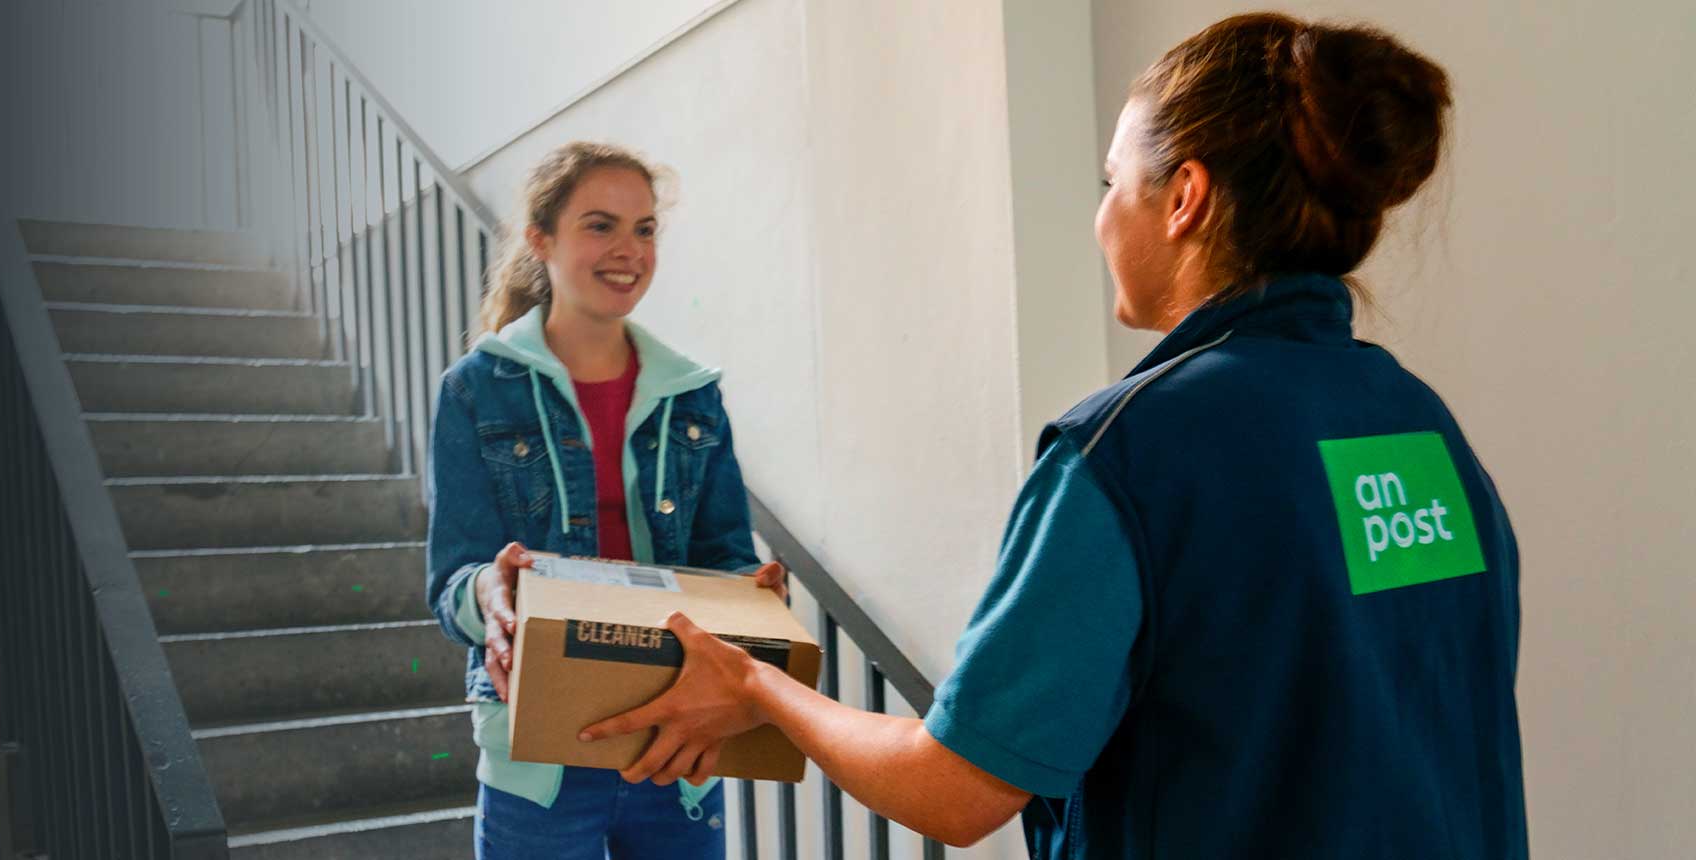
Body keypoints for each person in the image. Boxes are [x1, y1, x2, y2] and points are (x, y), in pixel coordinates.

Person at [580, 13, 1524, 857]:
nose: (1103, 212)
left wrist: (754, 688)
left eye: (1112, 180)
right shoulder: (1417, 422)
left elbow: (952, 790)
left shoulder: (1134, 451)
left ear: (1185, 197)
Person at [425, 140, 789, 859]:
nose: (629, 250)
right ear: (541, 239)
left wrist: (752, 596)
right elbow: (453, 583)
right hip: (538, 756)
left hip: (678, 742)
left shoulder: (694, 395)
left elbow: (723, 556)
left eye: (644, 228)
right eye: (600, 225)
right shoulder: (474, 389)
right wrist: (491, 594)